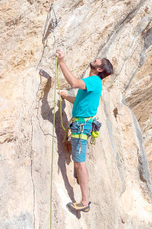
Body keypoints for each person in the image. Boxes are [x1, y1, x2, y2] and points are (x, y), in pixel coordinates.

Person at [55, 49, 113, 213]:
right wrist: (66, 97)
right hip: (81, 125)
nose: (95, 59)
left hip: (81, 126)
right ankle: (79, 178)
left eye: (98, 61)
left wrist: (61, 62)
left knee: (80, 163)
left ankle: (85, 202)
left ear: (99, 69)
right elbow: (80, 101)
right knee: (78, 161)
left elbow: (74, 82)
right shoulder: (93, 82)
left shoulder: (94, 80)